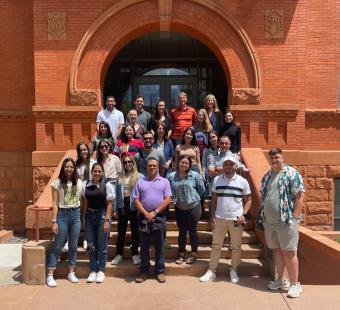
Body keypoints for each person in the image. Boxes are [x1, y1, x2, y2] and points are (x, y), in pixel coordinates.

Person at [258, 148, 305, 298]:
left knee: (289, 252)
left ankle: (295, 284)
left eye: (277, 158)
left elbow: (299, 195)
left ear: (282, 158)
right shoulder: (266, 176)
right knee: (276, 250)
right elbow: (264, 196)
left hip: (286, 222)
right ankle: (281, 280)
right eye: (271, 158)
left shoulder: (292, 173)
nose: (274, 161)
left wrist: (294, 218)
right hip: (270, 222)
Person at [200, 156, 251, 284]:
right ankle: (212, 271)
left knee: (236, 246)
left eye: (231, 164)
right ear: (223, 166)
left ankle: (233, 270)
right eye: (226, 164)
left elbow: (249, 200)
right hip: (219, 218)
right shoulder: (217, 180)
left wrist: (243, 214)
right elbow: (214, 199)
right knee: (216, 245)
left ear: (236, 166)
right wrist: (212, 216)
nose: (228, 166)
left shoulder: (243, 181)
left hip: (236, 219)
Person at [133, 158, 172, 283]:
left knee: (159, 245)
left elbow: (167, 199)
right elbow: (136, 200)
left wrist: (155, 213)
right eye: (150, 165)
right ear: (146, 167)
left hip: (159, 217)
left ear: (158, 167)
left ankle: (159, 271)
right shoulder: (140, 182)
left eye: (154, 165)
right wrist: (146, 213)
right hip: (144, 217)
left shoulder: (165, 182)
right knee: (143, 245)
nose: (152, 167)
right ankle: (144, 271)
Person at [46, 158, 83, 287]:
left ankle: (71, 272)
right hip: (62, 215)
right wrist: (54, 221)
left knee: (73, 245)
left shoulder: (79, 183)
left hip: (75, 214)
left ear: (74, 169)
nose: (69, 169)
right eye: (67, 167)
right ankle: (50, 274)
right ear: (63, 168)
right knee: (58, 245)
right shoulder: (57, 183)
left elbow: (82, 201)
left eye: (71, 167)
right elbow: (55, 203)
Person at [167, 155, 205, 265]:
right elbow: (168, 190)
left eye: (186, 163)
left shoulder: (195, 176)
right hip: (179, 208)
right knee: (182, 232)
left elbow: (201, 190)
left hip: (194, 207)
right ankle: (181, 253)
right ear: (178, 163)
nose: (184, 165)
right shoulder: (171, 176)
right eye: (182, 162)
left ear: (190, 165)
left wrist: (193, 197)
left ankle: (194, 254)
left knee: (193, 231)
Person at [82, 163, 115, 283]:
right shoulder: (86, 185)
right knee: (90, 244)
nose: (97, 173)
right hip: (90, 216)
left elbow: (110, 204)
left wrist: (107, 220)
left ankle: (101, 270)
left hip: (102, 215)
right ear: (91, 172)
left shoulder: (107, 185)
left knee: (102, 244)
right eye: (95, 171)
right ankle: (93, 270)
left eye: (99, 171)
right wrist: (84, 217)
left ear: (102, 173)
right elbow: (85, 201)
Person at [111, 154, 143, 266]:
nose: (128, 164)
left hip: (135, 205)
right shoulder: (120, 177)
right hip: (122, 204)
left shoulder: (140, 177)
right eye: (125, 162)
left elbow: (143, 194)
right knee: (121, 231)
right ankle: (119, 254)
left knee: (135, 231)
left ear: (133, 163)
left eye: (130, 162)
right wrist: (115, 208)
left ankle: (135, 253)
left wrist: (142, 208)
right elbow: (116, 194)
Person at [75, 142, 96, 251]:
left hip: (90, 191)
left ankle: (86, 238)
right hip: (79, 191)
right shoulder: (76, 164)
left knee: (87, 215)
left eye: (85, 149)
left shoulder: (93, 163)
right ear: (78, 152)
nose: (84, 152)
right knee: (79, 214)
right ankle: (76, 237)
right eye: (81, 150)